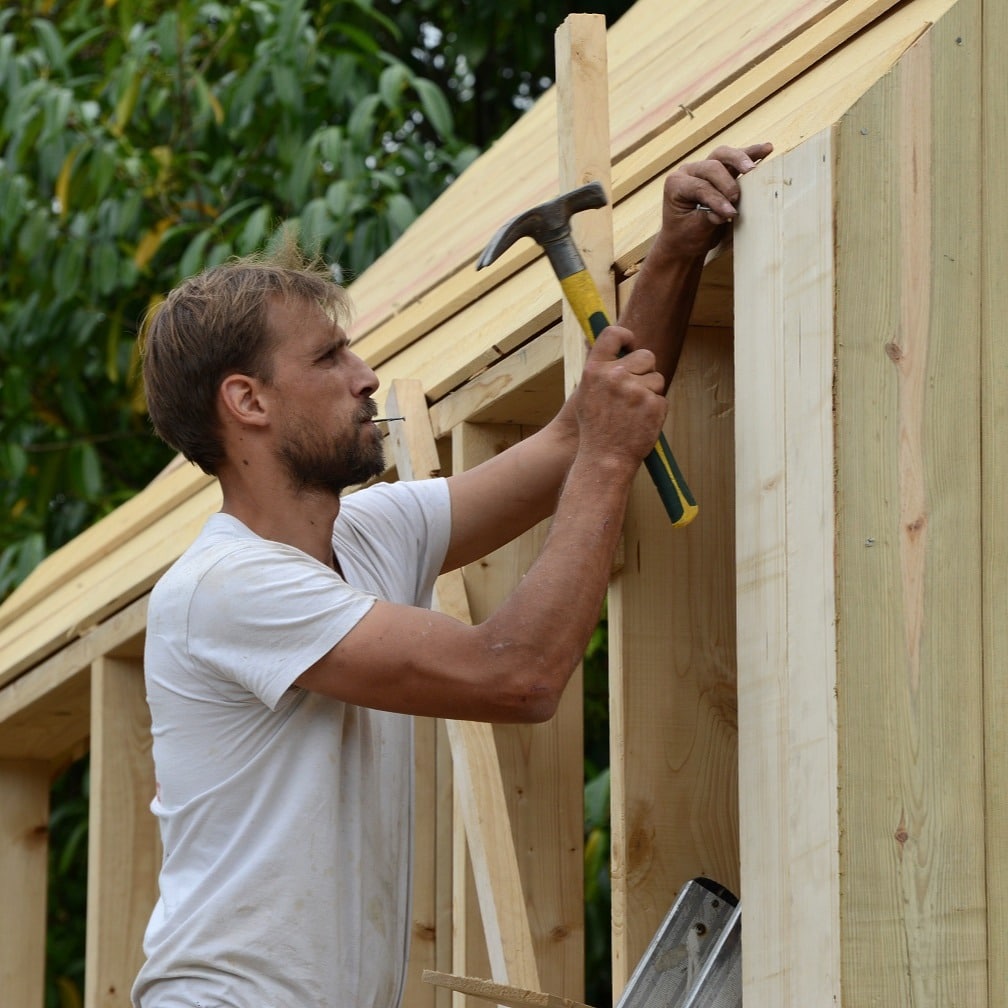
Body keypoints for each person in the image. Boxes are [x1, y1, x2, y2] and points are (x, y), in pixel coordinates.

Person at [131, 141, 772, 1008]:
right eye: (329, 359)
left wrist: (674, 255)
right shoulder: (226, 587)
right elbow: (517, 673)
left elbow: (573, 439)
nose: (366, 378)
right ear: (248, 401)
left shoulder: (370, 536)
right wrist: (611, 461)